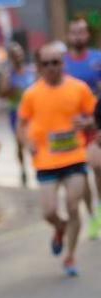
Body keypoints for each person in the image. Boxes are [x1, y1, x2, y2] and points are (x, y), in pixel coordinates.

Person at [17, 42, 97, 276]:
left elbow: (95, 115)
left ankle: (70, 257)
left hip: (74, 156)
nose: (52, 67)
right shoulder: (31, 94)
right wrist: (27, 143)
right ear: (39, 67)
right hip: (46, 160)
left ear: (63, 63)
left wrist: (89, 123)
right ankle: (59, 227)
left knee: (73, 206)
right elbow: (21, 125)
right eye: (46, 63)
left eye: (56, 62)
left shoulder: (79, 88)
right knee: (48, 212)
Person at [63, 17, 101, 237]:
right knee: (81, 174)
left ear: (88, 35)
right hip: (72, 128)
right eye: (74, 32)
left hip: (95, 123)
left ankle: (99, 207)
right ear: (69, 36)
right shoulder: (61, 63)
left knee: (97, 167)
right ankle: (92, 215)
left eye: (82, 32)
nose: (78, 36)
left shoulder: (98, 59)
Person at [0, 42, 37, 187]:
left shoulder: (31, 70)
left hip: (34, 112)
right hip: (17, 112)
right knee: (20, 142)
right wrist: (10, 87)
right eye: (14, 54)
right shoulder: (7, 74)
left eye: (19, 53)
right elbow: (1, 94)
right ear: (10, 57)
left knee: (35, 137)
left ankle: (38, 164)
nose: (18, 57)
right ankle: (23, 168)